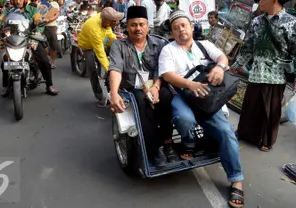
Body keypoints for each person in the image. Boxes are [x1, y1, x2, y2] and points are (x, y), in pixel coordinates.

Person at [158, 10, 244, 208]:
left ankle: (236, 179)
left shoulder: (204, 45)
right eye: (176, 27)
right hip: (183, 95)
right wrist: (190, 85)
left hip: (207, 96)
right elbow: (168, 75)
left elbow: (223, 57)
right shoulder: (168, 49)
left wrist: (219, 68)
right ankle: (188, 142)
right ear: (172, 32)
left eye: (184, 25)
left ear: (191, 27)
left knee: (226, 131)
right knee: (184, 119)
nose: (181, 30)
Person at [230, 0, 296, 152]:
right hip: (256, 72)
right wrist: (236, 66)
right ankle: (246, 133)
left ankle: (266, 140)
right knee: (250, 105)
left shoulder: (292, 22)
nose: (260, 1)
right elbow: (248, 47)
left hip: (276, 74)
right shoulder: (256, 21)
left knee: (270, 109)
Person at [109, 6, 178, 167]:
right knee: (141, 102)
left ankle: (167, 143)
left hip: (156, 84)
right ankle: (155, 148)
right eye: (133, 25)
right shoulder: (118, 46)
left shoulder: (159, 44)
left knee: (167, 97)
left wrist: (155, 86)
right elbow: (115, 70)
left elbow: (162, 69)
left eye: (141, 24)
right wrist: (113, 93)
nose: (138, 28)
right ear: (127, 27)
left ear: (147, 26)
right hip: (132, 89)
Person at [0, 0, 59, 97]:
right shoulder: (8, 11)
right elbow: (0, 21)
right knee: (5, 61)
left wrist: (38, 31)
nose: (18, 1)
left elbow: (39, 22)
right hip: (13, 40)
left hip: (30, 38)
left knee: (44, 61)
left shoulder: (33, 10)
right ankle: (6, 86)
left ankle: (49, 85)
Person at [78, 7, 124, 107]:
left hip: (99, 40)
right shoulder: (94, 28)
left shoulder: (105, 18)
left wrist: (120, 43)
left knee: (112, 49)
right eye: (113, 22)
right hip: (87, 46)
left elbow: (110, 33)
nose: (115, 23)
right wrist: (111, 70)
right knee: (93, 71)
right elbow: (101, 54)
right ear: (106, 20)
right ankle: (99, 97)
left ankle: (107, 75)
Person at [44, 0, 60, 69]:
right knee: (42, 45)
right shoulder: (41, 3)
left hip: (52, 27)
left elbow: (56, 14)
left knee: (53, 46)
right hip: (42, 27)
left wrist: (49, 20)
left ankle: (52, 62)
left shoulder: (54, 4)